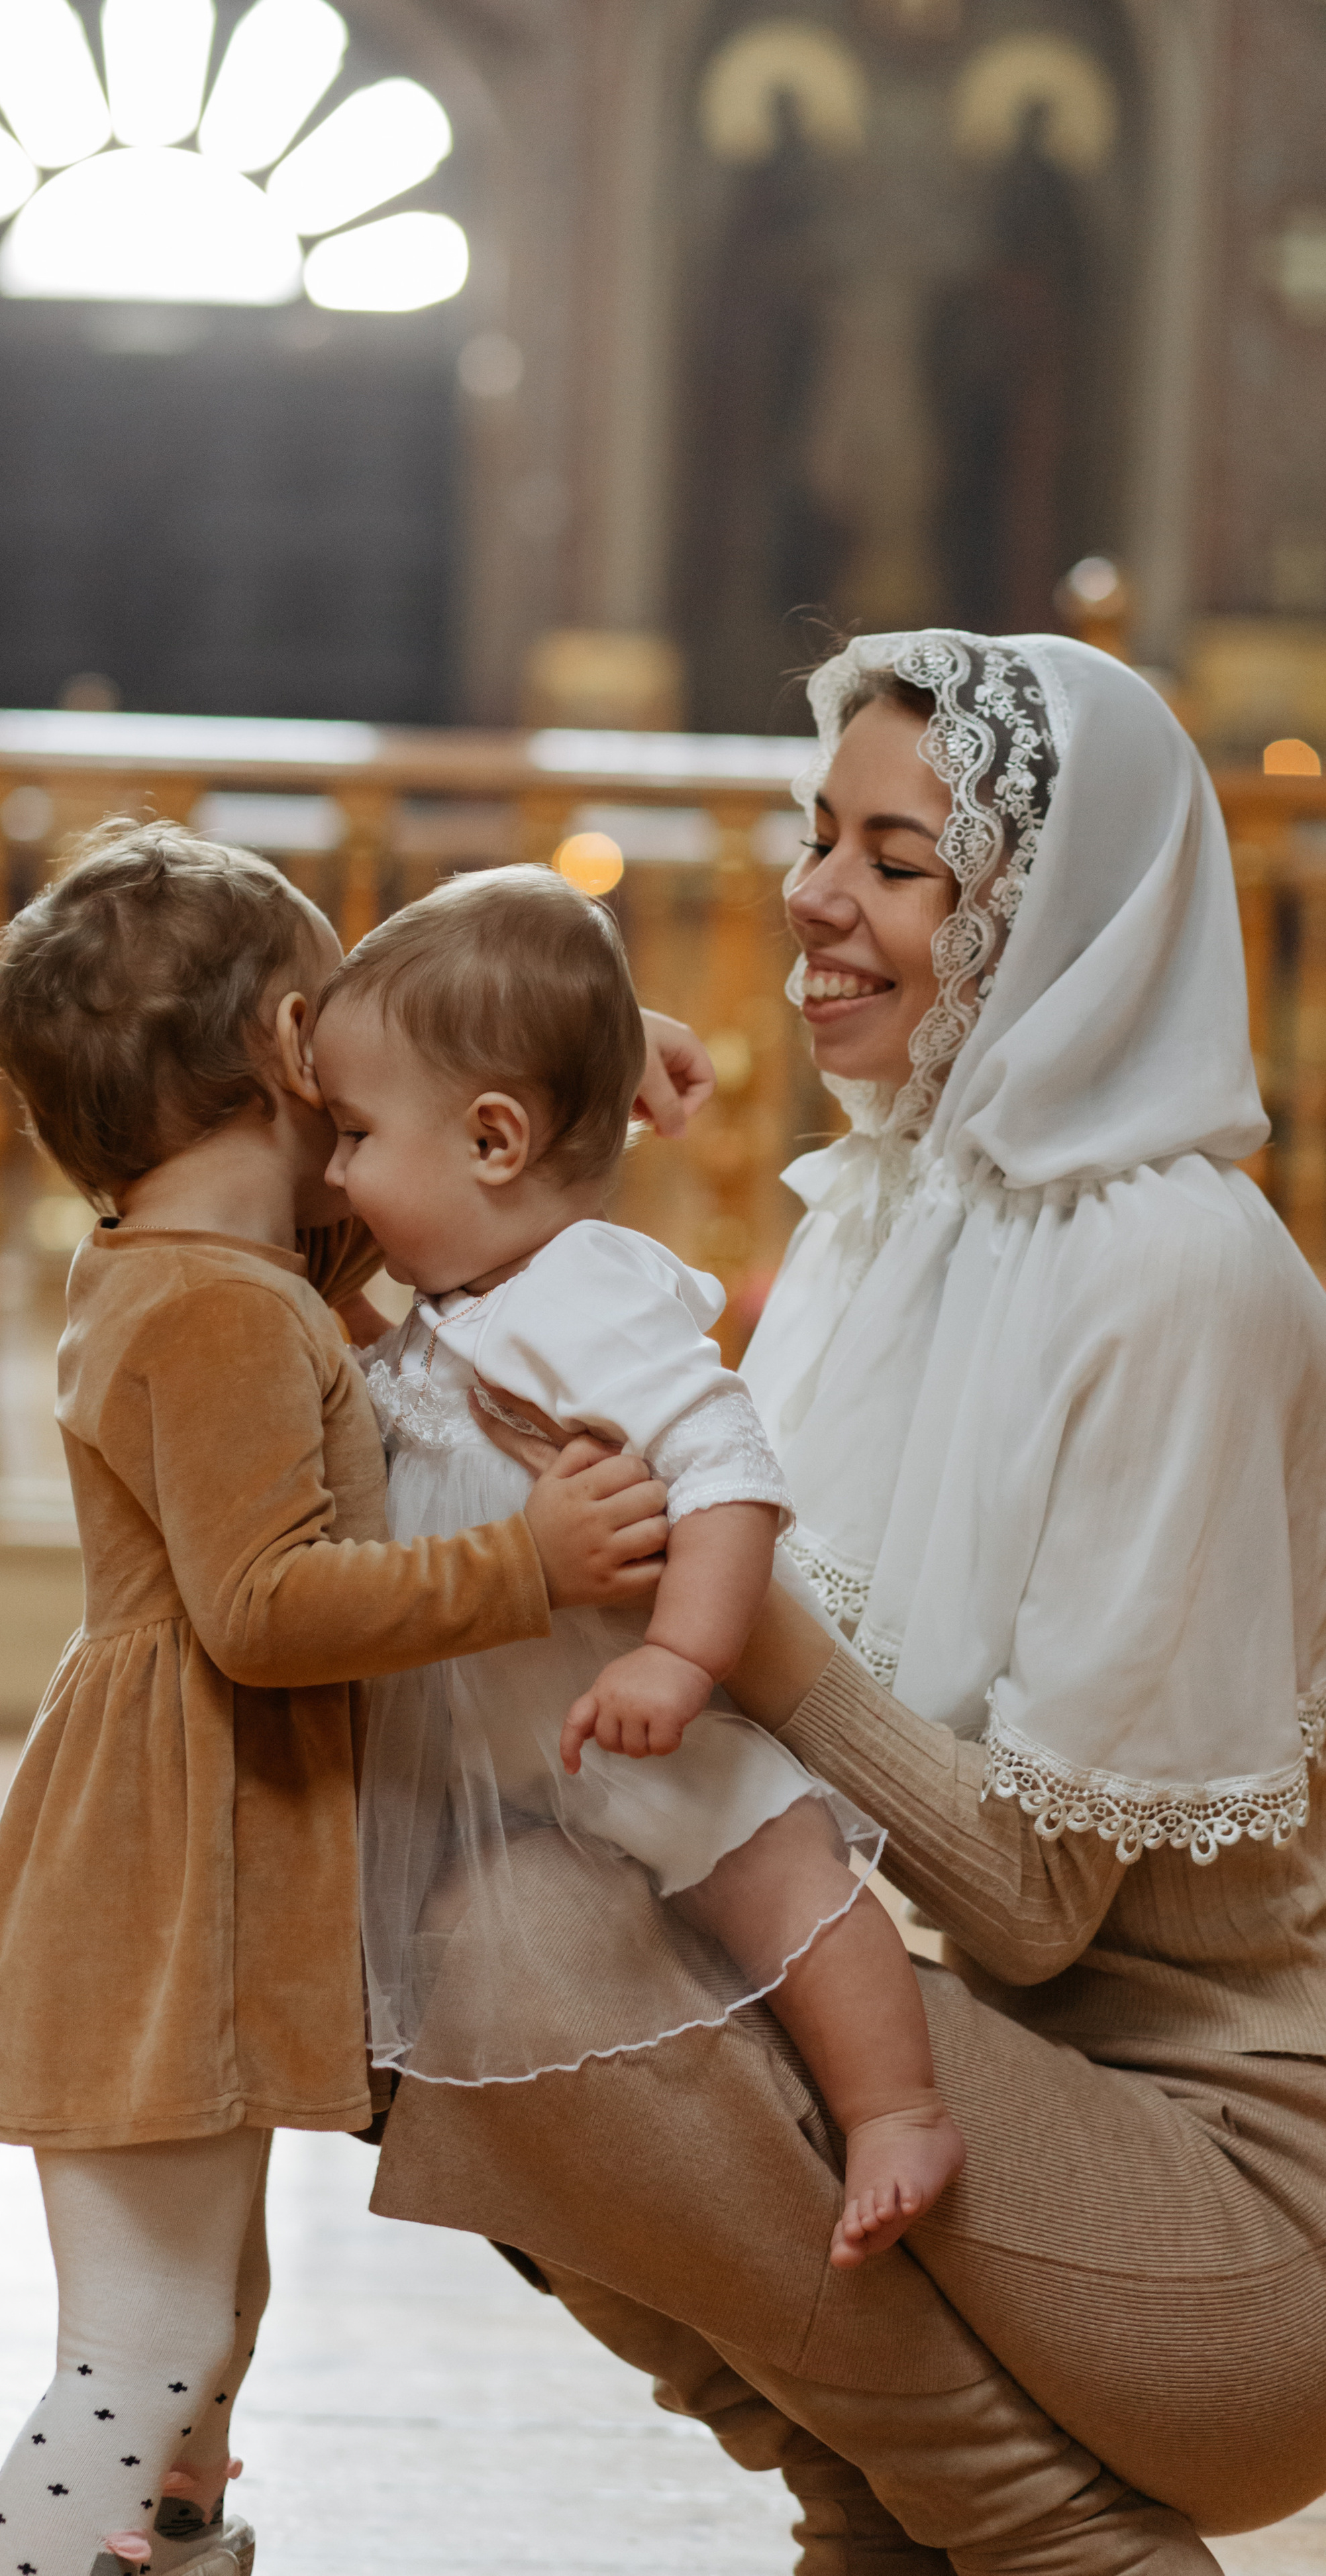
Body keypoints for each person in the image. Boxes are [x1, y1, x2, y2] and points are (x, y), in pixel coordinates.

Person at [368, 634, 1326, 2574]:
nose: (811, 895)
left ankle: (1026, 2531)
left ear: (1054, 915)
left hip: (1236, 2227)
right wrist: (545, 1108)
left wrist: (742, 1628)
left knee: (525, 1957)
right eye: (824, 837)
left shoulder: (1179, 1274)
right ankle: (876, 2517)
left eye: (898, 861)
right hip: (1008, 2127)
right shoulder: (896, 1201)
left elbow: (1050, 1914)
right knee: (405, 1921)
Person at [0, 826, 681, 2576]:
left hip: (176, 1876)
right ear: (294, 1043)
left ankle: (175, 2549)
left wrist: (593, 1081)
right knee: (144, 2355)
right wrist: (530, 1562)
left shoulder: (209, 1276)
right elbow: (267, 1608)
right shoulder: (218, 1316)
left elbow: (405, 1236)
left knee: (204, 2336)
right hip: (157, 1890)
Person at [310, 865, 964, 2262]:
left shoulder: (582, 1293)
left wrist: (678, 1657)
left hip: (627, 1731)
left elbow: (727, 1469)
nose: (333, 1172)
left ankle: (896, 2109)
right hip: (491, 1760)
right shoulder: (451, 1303)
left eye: (354, 1134)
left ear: (492, 1142)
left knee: (778, 1863)